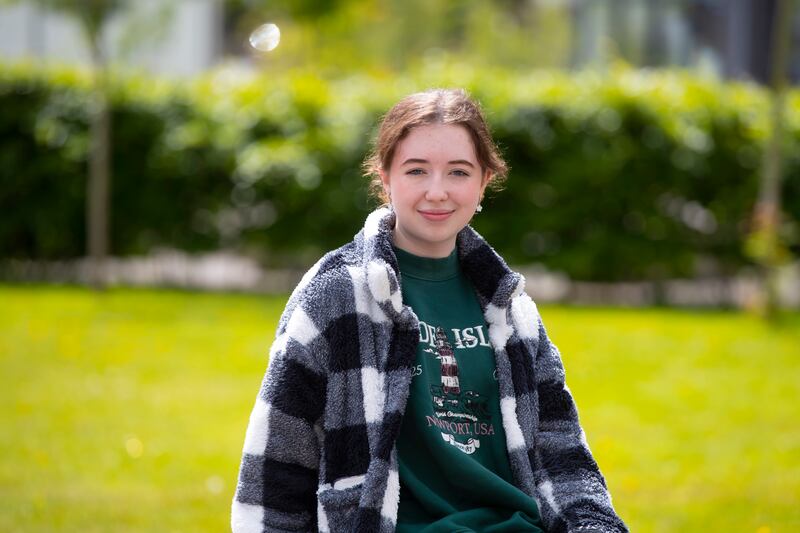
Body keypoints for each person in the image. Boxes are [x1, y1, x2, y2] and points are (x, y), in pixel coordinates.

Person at [231, 88, 627, 533]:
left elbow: (564, 453)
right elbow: (276, 465)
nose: (437, 192)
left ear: (483, 182)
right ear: (385, 178)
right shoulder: (336, 295)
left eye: (458, 172)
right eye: (416, 170)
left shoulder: (511, 308)